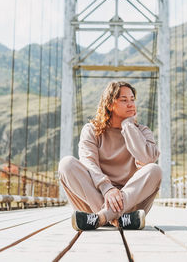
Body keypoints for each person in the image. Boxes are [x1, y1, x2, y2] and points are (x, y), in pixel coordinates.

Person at [58, 81, 162, 231]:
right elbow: (89, 163)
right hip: (100, 198)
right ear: (110, 104)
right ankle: (117, 219)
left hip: (129, 205)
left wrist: (128, 125)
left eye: (132, 99)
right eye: (124, 100)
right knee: (66, 164)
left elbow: (147, 159)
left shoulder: (143, 132)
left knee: (155, 170)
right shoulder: (91, 130)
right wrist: (107, 188)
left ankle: (101, 218)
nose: (131, 104)